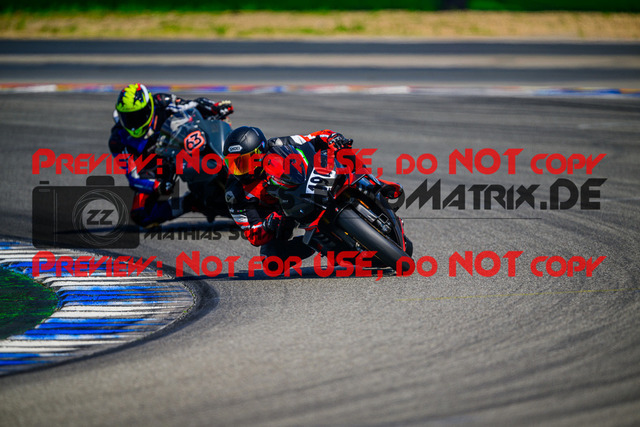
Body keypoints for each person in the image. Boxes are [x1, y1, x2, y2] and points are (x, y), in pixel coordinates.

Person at [222, 126, 364, 269]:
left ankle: (368, 181)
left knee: (341, 150)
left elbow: (314, 137)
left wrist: (332, 138)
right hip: (282, 216)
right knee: (271, 261)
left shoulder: (278, 144)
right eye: (233, 164)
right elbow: (253, 234)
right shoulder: (234, 193)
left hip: (309, 185)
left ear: (259, 153)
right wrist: (268, 224)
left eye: (243, 162)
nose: (239, 171)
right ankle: (319, 244)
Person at [108, 83, 233, 227]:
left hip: (181, 146)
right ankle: (190, 202)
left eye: (138, 115)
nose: (134, 122)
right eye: (128, 118)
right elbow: (133, 177)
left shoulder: (162, 102)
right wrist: (158, 185)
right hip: (156, 169)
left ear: (149, 107)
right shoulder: (118, 140)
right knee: (141, 214)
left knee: (214, 128)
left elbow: (192, 105)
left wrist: (214, 107)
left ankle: (237, 165)